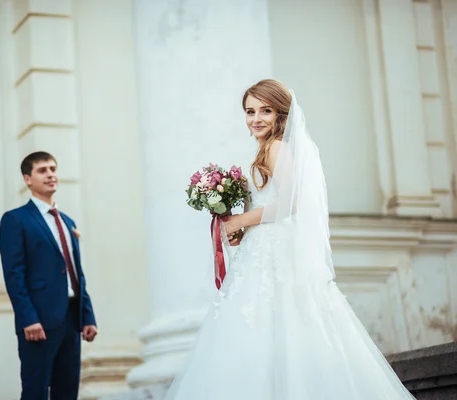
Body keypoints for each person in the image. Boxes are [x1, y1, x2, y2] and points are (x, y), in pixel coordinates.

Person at [163, 79, 415, 399]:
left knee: (277, 326)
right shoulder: (265, 149)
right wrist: (244, 227)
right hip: (262, 249)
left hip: (274, 256)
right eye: (250, 111)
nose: (256, 118)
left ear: (281, 113)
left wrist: (242, 219)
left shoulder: (277, 147)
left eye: (265, 111)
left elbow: (290, 203)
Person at [0, 151, 98, 400]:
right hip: (39, 322)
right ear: (27, 179)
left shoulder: (67, 221)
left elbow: (77, 273)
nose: (51, 174)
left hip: (71, 319)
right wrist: (28, 319)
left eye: (53, 169)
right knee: (36, 391)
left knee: (67, 391)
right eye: (42, 170)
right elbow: (14, 275)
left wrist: (87, 315)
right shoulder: (15, 220)